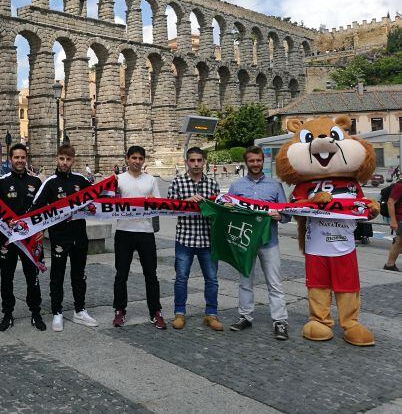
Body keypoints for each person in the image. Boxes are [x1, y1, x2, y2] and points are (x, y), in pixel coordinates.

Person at [32, 144, 98, 332]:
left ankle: (80, 310)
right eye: (62, 158)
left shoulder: (81, 180)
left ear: (73, 161)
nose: (64, 163)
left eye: (68, 159)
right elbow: (36, 207)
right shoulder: (50, 182)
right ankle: (57, 312)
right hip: (59, 238)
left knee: (79, 274)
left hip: (80, 237)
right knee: (57, 275)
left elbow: (99, 198)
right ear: (57, 159)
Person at [227, 146, 290, 341]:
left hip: (268, 241)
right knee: (245, 281)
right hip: (245, 242)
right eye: (251, 161)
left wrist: (279, 215)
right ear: (246, 163)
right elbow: (228, 211)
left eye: (258, 161)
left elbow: (287, 214)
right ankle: (245, 316)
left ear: (263, 161)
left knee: (274, 282)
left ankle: (280, 321)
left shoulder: (275, 186)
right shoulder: (236, 187)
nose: (255, 164)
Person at [0, 143, 46, 331]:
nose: (20, 160)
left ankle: (36, 312)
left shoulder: (36, 182)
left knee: (32, 276)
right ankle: (7, 314)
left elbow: (45, 207)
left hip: (30, 240)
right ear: (10, 159)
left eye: (22, 157)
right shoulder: (1, 182)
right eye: (16, 157)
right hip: (7, 239)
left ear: (26, 158)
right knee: (7, 277)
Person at [168, 147, 223, 332]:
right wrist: (186, 202)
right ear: (187, 162)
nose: (196, 164)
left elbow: (218, 210)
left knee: (212, 279)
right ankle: (179, 313)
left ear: (204, 162)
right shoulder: (178, 182)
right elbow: (169, 207)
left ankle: (211, 314)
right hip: (185, 238)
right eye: (192, 160)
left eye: (199, 160)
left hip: (208, 240)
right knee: (181, 278)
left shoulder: (212, 184)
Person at [112, 145, 165, 329]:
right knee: (121, 274)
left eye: (140, 158)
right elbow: (107, 201)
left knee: (151, 274)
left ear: (144, 160)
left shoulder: (150, 180)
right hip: (124, 231)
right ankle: (119, 310)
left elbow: (158, 205)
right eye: (133, 158)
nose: (136, 161)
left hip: (145, 232)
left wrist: (153, 201)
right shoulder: (117, 180)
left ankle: (155, 311)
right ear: (127, 159)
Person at [384, 180, 402, 271]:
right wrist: (393, 221)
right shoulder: (399, 186)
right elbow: (390, 202)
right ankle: (389, 264)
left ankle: (389, 264)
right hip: (401, 218)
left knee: (399, 241)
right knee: (399, 241)